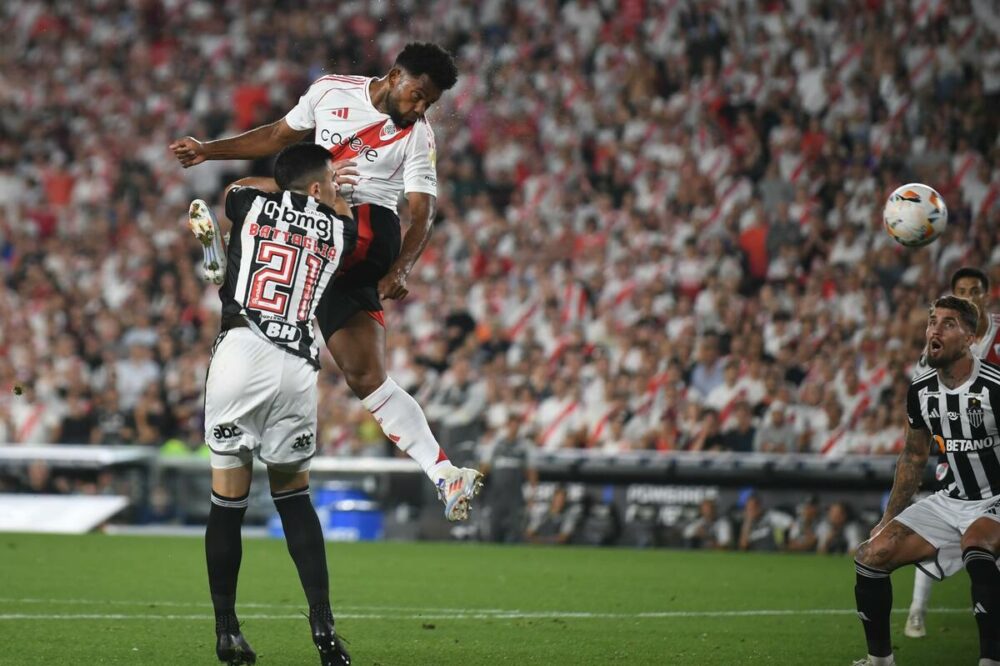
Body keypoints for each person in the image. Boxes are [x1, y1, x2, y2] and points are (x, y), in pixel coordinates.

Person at [170, 42, 483, 522]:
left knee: (254, 221)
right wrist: (209, 151)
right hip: (318, 215)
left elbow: (423, 213)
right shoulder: (330, 91)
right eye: (418, 95)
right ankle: (444, 473)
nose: (421, 109)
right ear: (396, 76)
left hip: (365, 229)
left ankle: (228, 275)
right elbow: (278, 134)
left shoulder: (417, 137)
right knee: (366, 377)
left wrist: (401, 267)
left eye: (429, 104)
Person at [197, 143, 358, 665]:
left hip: (242, 350)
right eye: (331, 181)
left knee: (228, 502)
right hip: (296, 364)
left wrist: (292, 187)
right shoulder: (341, 231)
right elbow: (337, 212)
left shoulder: (247, 202)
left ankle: (227, 631)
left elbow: (230, 193)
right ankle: (325, 633)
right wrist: (337, 196)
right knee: (294, 499)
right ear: (317, 189)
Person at [853, 296, 1000, 666]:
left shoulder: (995, 387)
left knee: (977, 544)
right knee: (872, 555)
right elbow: (914, 456)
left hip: (996, 498)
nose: (934, 329)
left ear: (969, 337)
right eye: (932, 321)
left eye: (947, 323)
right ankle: (880, 662)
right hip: (952, 500)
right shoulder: (921, 391)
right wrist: (888, 519)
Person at [907, 267, 1000, 638]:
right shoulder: (943, 337)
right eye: (960, 290)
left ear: (987, 295)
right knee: (936, 517)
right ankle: (917, 610)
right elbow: (921, 383)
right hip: (957, 445)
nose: (968, 296)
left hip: (994, 439)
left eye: (974, 290)